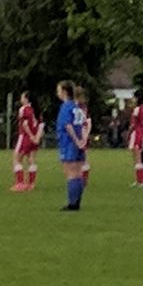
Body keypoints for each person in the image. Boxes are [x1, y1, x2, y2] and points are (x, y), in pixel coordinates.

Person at [56, 81, 88, 211]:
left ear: (64, 91)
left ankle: (72, 203)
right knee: (78, 173)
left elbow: (67, 125)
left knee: (71, 173)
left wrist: (75, 140)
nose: (57, 93)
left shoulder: (66, 107)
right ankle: (76, 202)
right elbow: (84, 124)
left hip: (69, 143)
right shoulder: (77, 107)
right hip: (79, 143)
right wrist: (83, 140)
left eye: (58, 90)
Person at [11, 92, 41, 192]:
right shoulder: (36, 110)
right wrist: (36, 137)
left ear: (27, 99)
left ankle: (20, 183)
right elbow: (41, 126)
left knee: (16, 159)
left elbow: (24, 125)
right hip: (35, 138)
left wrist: (31, 136)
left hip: (25, 137)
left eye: (22, 97)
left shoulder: (23, 109)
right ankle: (31, 184)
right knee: (31, 159)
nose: (21, 99)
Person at [128, 89, 143, 188]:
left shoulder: (137, 109)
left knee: (137, 157)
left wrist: (130, 129)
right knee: (142, 156)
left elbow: (133, 124)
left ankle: (139, 180)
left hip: (137, 133)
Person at [76, 87, 92, 184]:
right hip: (83, 132)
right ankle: (83, 179)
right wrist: (87, 134)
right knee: (84, 156)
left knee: (78, 157)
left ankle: (80, 179)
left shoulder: (77, 107)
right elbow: (89, 122)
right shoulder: (84, 107)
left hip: (79, 132)